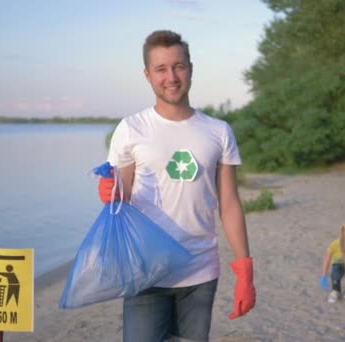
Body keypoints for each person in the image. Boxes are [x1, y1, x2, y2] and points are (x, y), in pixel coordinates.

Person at [97, 30, 255, 342]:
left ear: (190, 68)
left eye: (178, 66)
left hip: (200, 273)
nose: (171, 76)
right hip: (146, 273)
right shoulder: (131, 129)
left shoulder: (218, 131)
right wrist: (108, 193)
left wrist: (245, 269)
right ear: (147, 75)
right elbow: (121, 199)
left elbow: (230, 204)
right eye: (161, 69)